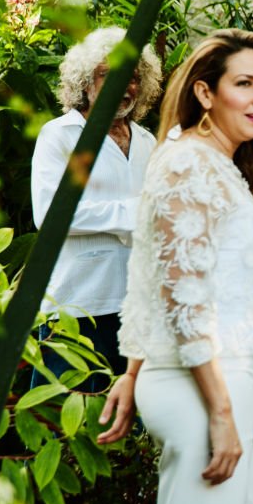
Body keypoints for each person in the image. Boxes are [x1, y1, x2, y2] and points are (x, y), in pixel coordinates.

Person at [97, 29, 253, 504]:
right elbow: (182, 299)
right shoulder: (189, 163)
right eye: (244, 83)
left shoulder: (208, 161)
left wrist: (135, 368)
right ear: (206, 93)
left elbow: (162, 273)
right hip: (204, 386)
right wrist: (220, 414)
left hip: (212, 377)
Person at [30, 27, 161, 390]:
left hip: (135, 304)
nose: (126, 85)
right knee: (66, 422)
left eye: (134, 77)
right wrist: (138, 212)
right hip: (77, 303)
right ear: (85, 83)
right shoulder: (60, 135)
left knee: (126, 431)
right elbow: (52, 215)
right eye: (109, 74)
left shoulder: (147, 141)